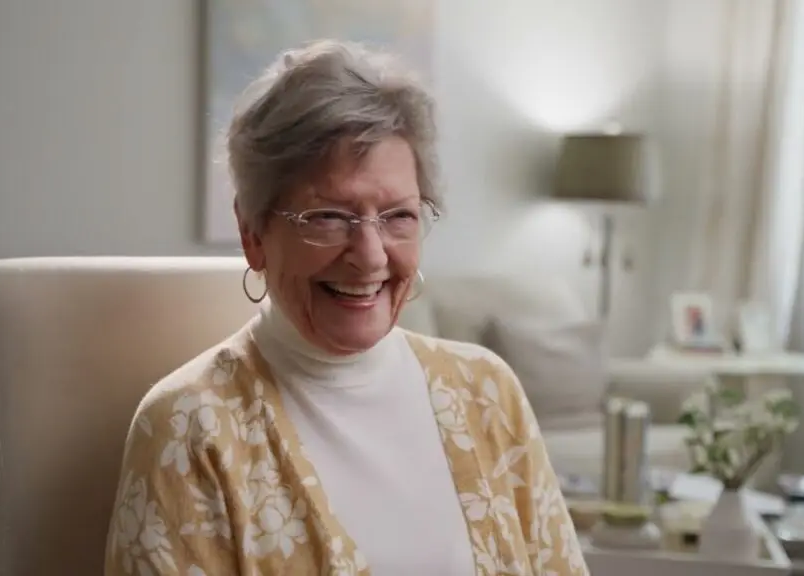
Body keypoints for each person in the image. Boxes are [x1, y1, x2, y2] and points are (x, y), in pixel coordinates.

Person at [104, 39, 588, 576]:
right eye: (329, 217)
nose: (371, 256)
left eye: (398, 216)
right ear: (252, 234)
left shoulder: (489, 392)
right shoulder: (190, 430)